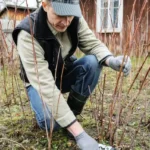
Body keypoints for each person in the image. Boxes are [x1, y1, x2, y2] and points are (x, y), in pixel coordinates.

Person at [12, 0, 131, 149]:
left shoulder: (74, 20)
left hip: (63, 72)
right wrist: (80, 134)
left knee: (93, 62)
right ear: (45, 5)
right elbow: (46, 85)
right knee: (51, 123)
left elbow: (92, 44)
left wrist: (110, 59)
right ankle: (66, 122)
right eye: (60, 15)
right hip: (38, 83)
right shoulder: (28, 33)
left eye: (70, 15)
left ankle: (71, 115)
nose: (66, 22)